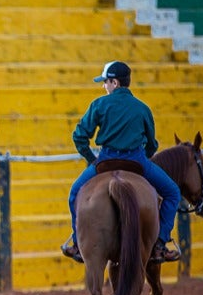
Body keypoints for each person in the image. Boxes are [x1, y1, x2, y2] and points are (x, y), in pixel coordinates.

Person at [61, 61, 182, 264]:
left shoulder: (99, 104)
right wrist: (145, 157)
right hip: (137, 160)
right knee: (172, 193)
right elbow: (152, 144)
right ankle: (160, 244)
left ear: (115, 82)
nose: (103, 86)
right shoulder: (143, 108)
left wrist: (93, 160)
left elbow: (79, 137)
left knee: (75, 194)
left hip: (106, 160)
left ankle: (77, 243)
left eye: (105, 82)